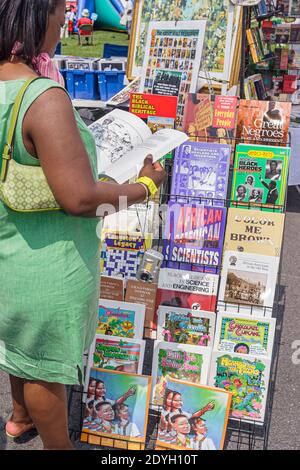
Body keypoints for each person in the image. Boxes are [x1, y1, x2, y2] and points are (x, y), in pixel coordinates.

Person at [0, 0, 165, 450]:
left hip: (10, 251)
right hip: (48, 263)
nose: (64, 22)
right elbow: (78, 200)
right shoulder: (42, 97)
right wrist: (144, 188)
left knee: (20, 345)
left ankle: (18, 418)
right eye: (58, 13)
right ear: (34, 18)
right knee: (47, 366)